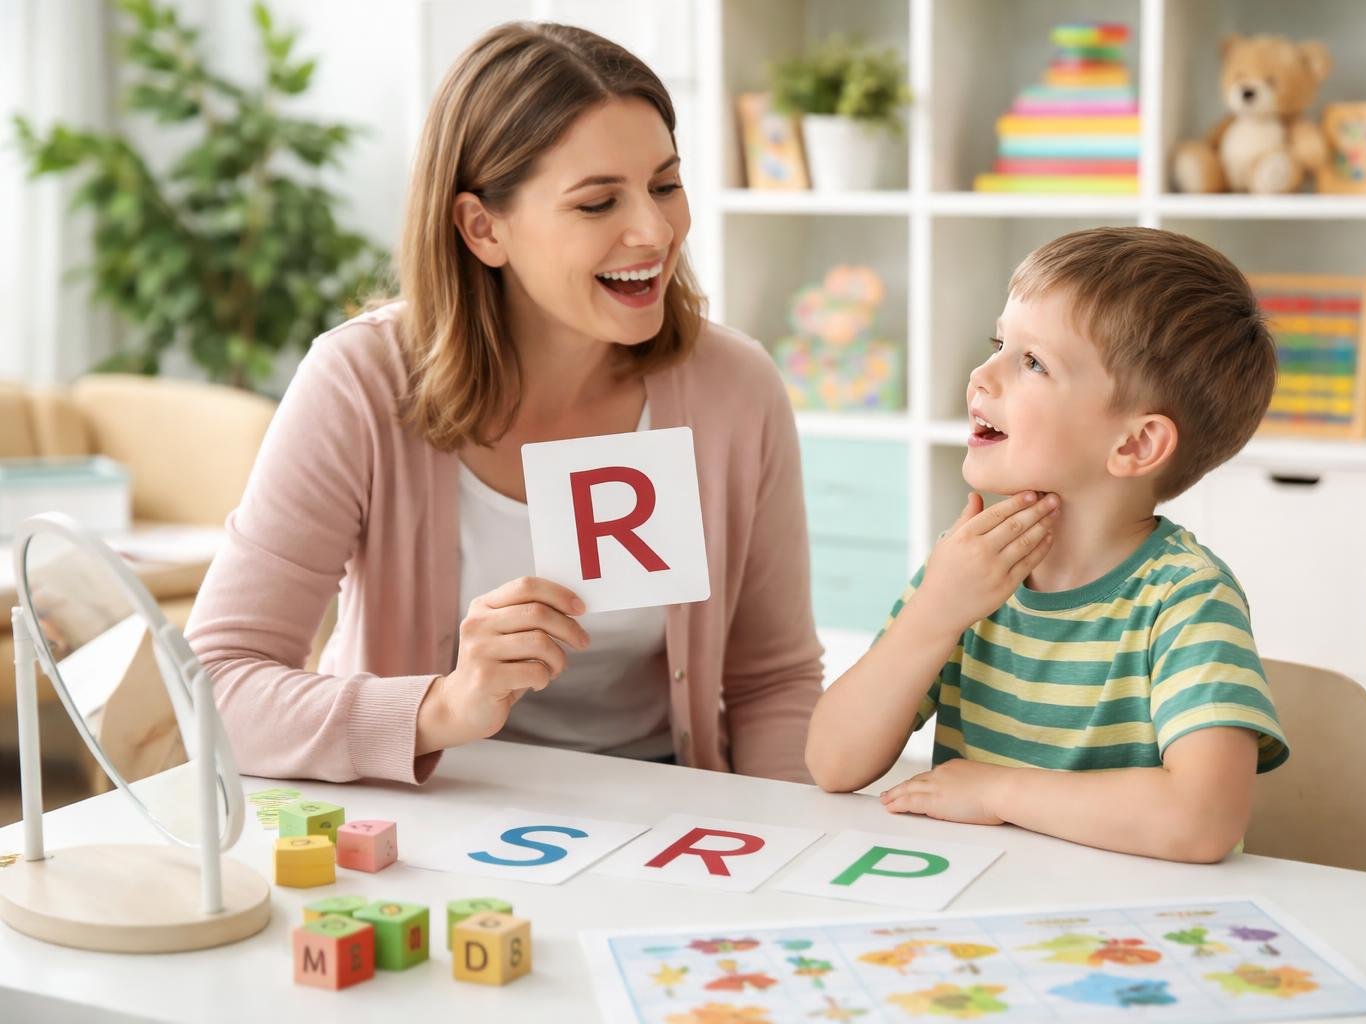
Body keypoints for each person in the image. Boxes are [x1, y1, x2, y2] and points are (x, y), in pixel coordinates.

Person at [185, 22, 822, 786]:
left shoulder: (735, 389)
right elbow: (214, 688)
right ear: (483, 227)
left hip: (666, 810)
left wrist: (782, 850)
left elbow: (772, 684)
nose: (655, 231)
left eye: (664, 185)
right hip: (433, 810)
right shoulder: (359, 383)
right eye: (597, 204)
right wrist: (439, 709)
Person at [805, 227, 1289, 863]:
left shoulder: (1186, 597)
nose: (980, 376)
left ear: (1135, 445)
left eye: (1032, 362)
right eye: (998, 344)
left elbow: (1202, 822)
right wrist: (935, 612)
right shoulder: (968, 570)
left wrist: (1000, 792)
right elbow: (833, 762)